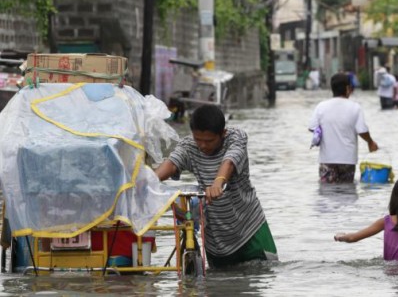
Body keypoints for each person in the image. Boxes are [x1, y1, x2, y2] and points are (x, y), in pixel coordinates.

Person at [154, 105, 278, 268]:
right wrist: (148, 181)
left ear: (223, 134)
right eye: (198, 140)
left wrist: (218, 182)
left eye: (209, 141)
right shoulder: (189, 146)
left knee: (263, 275)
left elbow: (230, 161)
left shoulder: (236, 138)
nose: (203, 146)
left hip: (249, 230)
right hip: (216, 240)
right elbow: (171, 164)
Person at [308, 73, 378, 184]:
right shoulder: (355, 107)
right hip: (347, 160)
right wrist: (370, 142)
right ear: (347, 88)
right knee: (347, 193)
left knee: (327, 194)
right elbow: (362, 131)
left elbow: (312, 127)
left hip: (327, 159)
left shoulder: (321, 106)